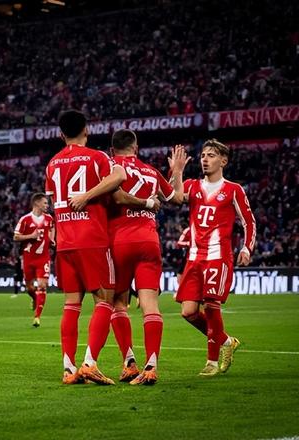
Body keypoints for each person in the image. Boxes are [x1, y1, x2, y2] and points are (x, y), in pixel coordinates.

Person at [45, 109, 150, 385]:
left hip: (65, 241)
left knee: (71, 305)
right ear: (87, 130)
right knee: (104, 300)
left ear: (61, 134)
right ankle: (89, 363)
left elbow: (53, 200)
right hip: (92, 239)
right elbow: (120, 176)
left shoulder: (52, 164)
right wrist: (88, 196)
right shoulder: (97, 157)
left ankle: (68, 369)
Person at [86, 130, 189, 385]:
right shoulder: (151, 171)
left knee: (117, 303)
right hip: (149, 242)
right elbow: (178, 198)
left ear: (112, 150)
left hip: (118, 241)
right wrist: (177, 171)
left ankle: (129, 362)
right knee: (150, 305)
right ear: (136, 147)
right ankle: (151, 366)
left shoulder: (110, 167)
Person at [176, 139, 256, 376]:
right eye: (203, 155)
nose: (205, 159)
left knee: (211, 306)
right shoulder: (192, 185)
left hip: (218, 256)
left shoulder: (233, 190)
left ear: (223, 161)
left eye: (211, 155)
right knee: (188, 312)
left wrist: (247, 248)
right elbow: (174, 197)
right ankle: (226, 341)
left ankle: (211, 362)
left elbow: (248, 221)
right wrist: (177, 171)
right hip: (194, 257)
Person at [13, 193, 55, 327]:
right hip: (28, 258)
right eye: (45, 203)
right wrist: (31, 236)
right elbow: (16, 237)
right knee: (29, 288)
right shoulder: (25, 219)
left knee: (42, 285)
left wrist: (51, 239)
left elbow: (52, 227)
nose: (47, 205)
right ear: (37, 203)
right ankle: (35, 299)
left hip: (43, 258)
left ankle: (37, 317)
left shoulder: (49, 218)